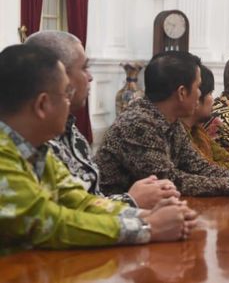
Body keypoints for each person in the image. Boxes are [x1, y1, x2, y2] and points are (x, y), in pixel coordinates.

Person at [0, 44, 196, 252]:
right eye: (66, 94)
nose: (70, 102)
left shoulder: (38, 149)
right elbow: (48, 222)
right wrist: (149, 227)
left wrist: (151, 215)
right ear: (42, 105)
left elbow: (82, 203)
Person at [25, 30, 180, 209]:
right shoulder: (38, 139)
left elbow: (85, 200)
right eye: (84, 68)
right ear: (59, 75)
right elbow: (63, 217)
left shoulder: (69, 130)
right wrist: (133, 202)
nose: (90, 77)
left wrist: (146, 219)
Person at [95, 51, 229, 197]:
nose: (200, 94)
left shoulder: (170, 121)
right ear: (182, 93)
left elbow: (199, 166)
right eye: (197, 87)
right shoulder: (139, 123)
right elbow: (169, 181)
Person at [183, 64, 229, 173]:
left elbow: (227, 159)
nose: (213, 100)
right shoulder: (223, 118)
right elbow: (206, 169)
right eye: (210, 93)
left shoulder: (197, 131)